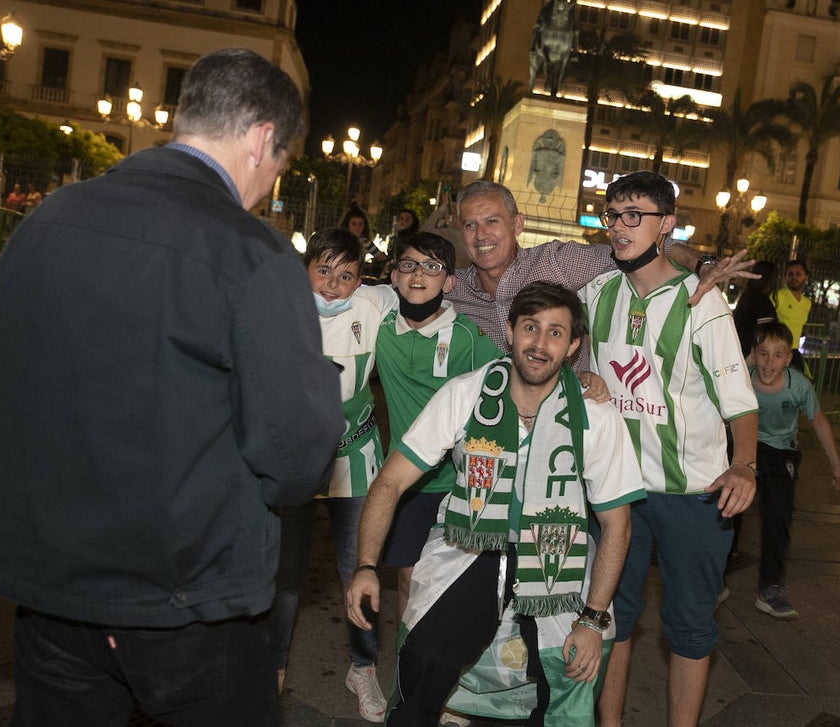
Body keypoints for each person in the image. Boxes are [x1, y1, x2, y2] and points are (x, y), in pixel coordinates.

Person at [0, 48, 342, 726]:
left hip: (51, 589)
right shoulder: (252, 253)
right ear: (262, 137)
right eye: (280, 165)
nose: (271, 185)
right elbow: (296, 455)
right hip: (186, 602)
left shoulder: (48, 220)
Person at [348, 282, 645, 726]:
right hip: (467, 553)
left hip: (554, 563)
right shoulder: (465, 395)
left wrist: (593, 619)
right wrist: (367, 565)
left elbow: (617, 526)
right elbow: (389, 482)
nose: (540, 344)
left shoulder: (596, 418)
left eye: (555, 333)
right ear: (509, 331)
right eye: (530, 327)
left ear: (573, 347)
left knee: (565, 682)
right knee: (422, 665)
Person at [580, 171, 759, 727]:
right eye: (613, 214)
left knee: (689, 624)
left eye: (635, 214)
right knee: (611, 617)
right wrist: (584, 377)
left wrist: (745, 465)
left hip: (694, 494)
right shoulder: (594, 294)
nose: (620, 226)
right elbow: (577, 361)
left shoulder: (702, 303)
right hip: (617, 491)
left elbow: (739, 399)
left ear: (666, 225)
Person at [272, 227, 394, 720]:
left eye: (346, 276)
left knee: (359, 570)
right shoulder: (279, 308)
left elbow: (431, 291)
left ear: (361, 280)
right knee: (284, 575)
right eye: (323, 270)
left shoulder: (375, 304)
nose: (332, 284)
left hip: (354, 459)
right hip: (296, 462)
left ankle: (363, 668)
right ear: (305, 270)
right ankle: (272, 667)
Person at [446, 180, 750, 366]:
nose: (481, 235)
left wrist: (701, 264)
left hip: (566, 427)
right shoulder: (452, 289)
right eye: (470, 225)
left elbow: (644, 247)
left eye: (492, 221)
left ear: (518, 225)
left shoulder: (557, 263)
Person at [375, 232, 504, 622]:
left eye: (431, 267)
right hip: (407, 482)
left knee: (451, 586)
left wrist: (583, 376)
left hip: (458, 484)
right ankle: (407, 671)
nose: (418, 274)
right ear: (394, 276)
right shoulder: (380, 327)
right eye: (409, 265)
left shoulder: (466, 336)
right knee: (408, 580)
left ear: (448, 282)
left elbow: (512, 377)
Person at [749, 321, 840, 619]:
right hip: (745, 446)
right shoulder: (740, 379)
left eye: (778, 355)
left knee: (778, 516)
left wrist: (836, 465)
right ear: (753, 355)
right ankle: (713, 582)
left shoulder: (799, 386)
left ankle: (771, 587)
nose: (769, 362)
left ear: (789, 358)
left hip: (782, 453)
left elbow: (818, 421)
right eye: (763, 353)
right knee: (727, 513)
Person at [733, 260, 779, 358]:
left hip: (738, 350)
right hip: (752, 355)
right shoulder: (763, 302)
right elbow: (766, 336)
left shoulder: (746, 298)